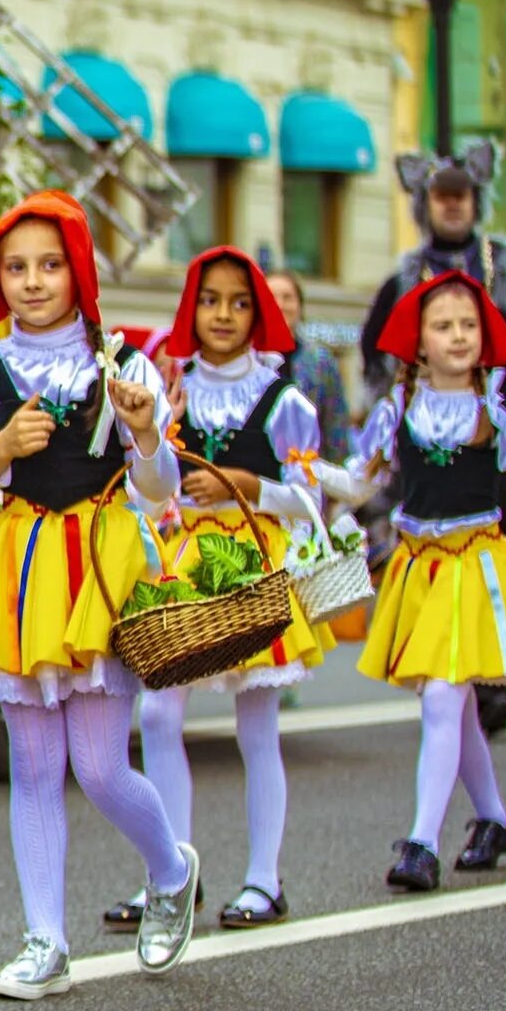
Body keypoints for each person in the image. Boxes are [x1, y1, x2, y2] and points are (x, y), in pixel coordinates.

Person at [0, 192, 203, 1000]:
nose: (31, 280)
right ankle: (44, 939)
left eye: (49, 264)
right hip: (17, 565)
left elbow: (159, 490)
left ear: (78, 270)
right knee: (32, 763)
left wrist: (149, 432)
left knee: (96, 764)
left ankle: (169, 867)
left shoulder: (120, 362)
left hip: (95, 562)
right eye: (15, 267)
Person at [98, 250, 329, 933]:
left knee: (257, 726)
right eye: (210, 301)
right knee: (160, 718)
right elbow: (151, 476)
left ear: (260, 313)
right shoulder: (171, 384)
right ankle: (170, 870)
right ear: (189, 310)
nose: (222, 315)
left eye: (238, 302)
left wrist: (252, 486)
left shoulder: (287, 400)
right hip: (188, 559)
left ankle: (264, 879)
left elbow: (311, 499)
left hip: (254, 561)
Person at [328, 271, 506, 889]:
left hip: (475, 569)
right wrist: (303, 479)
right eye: (444, 326)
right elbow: (360, 484)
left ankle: (421, 843)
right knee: (455, 703)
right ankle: (494, 819)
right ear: (419, 343)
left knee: (446, 699)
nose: (458, 336)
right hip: (419, 569)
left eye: (469, 325)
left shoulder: (500, 415)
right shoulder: (398, 412)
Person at [360, 145, 506, 739]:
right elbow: (375, 351)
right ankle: (445, 667)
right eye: (440, 196)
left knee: (497, 546)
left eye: (460, 195)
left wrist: (488, 325)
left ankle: (488, 677)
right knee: (435, 546)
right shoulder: (405, 273)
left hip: (498, 425)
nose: (450, 205)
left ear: (475, 202)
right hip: (432, 428)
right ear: (425, 204)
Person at [264, 267, 351, 462]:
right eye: (271, 297)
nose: (280, 304)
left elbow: (335, 424)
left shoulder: (320, 360)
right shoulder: (247, 360)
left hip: (308, 471)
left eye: (288, 297)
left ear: (300, 306)